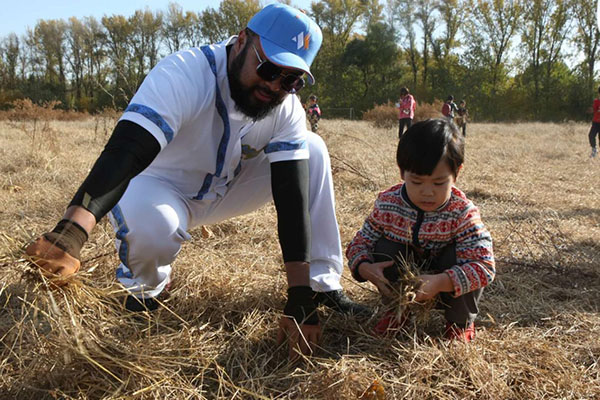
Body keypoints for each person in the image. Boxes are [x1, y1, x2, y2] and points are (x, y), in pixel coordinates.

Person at [24, 3, 370, 360]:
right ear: (240, 42)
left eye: (290, 79)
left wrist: (299, 296)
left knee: (311, 149)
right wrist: (71, 232)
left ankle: (320, 285)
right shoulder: (185, 73)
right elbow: (127, 150)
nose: (273, 84)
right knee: (154, 226)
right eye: (267, 68)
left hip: (228, 187)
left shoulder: (286, 107)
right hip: (159, 186)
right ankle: (147, 291)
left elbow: (291, 196)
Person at [345, 119, 495, 342]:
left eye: (438, 183)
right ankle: (398, 314)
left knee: (463, 259)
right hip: (406, 286)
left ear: (457, 173)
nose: (427, 192)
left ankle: (459, 324)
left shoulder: (462, 212)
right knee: (384, 247)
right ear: (401, 172)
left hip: (447, 286)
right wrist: (365, 268)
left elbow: (485, 267)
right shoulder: (388, 204)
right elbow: (360, 244)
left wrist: (439, 282)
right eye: (416, 182)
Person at [589, 86, 600, 158]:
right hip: (596, 121)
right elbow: (594, 110)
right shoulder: (596, 101)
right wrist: (592, 110)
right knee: (591, 135)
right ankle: (594, 149)